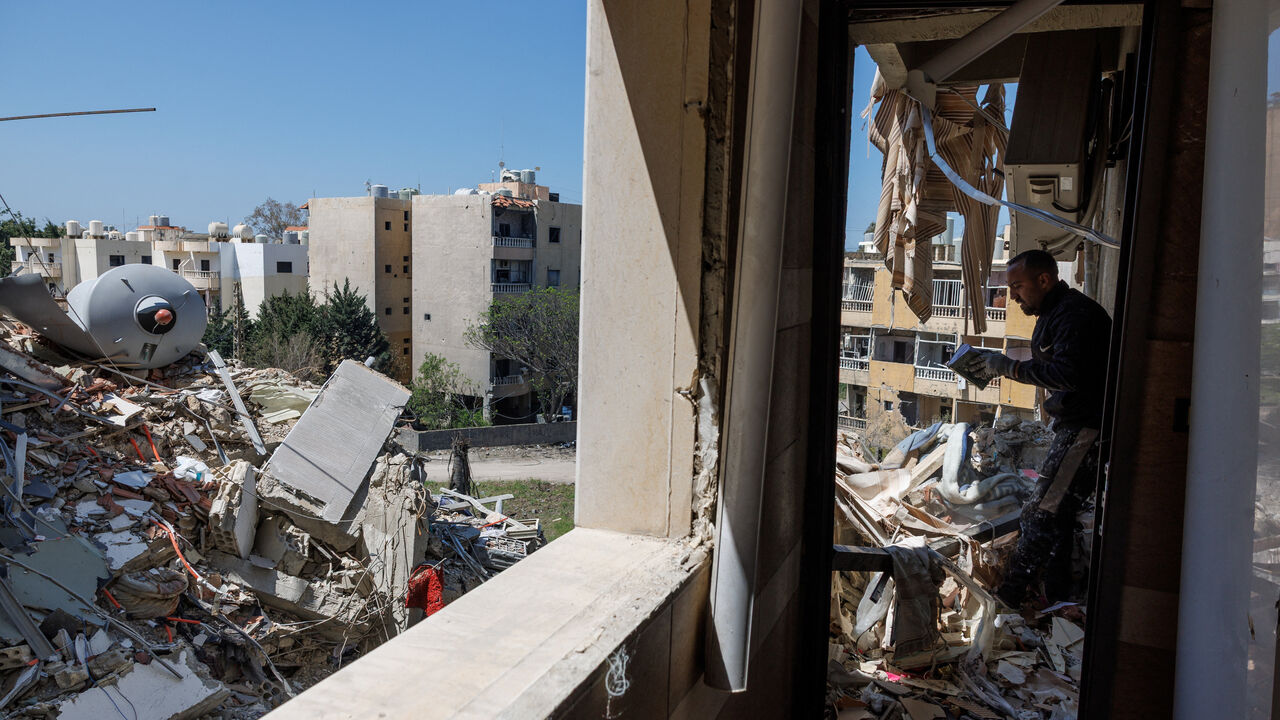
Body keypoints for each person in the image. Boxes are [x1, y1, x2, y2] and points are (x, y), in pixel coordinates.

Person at [974, 249, 1112, 608]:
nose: (1013, 296)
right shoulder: (1055, 311)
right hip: (1073, 423)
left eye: (1017, 287)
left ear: (1044, 280)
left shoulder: (1074, 315)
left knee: (1041, 511)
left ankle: (1008, 599)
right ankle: (1057, 595)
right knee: (1060, 514)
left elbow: (1068, 373)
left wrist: (1009, 367)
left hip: (1087, 427)